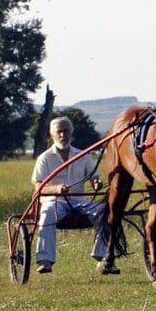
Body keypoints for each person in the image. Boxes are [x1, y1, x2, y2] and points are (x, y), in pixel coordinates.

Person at [30, 116, 112, 274]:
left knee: (104, 211)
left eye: (66, 131)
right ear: (52, 135)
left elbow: (95, 176)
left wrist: (96, 183)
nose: (62, 135)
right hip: (55, 202)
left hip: (78, 201)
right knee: (46, 214)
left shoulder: (82, 155)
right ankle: (45, 260)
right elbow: (39, 186)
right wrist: (56, 189)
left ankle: (103, 257)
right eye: (59, 132)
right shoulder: (44, 158)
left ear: (71, 133)